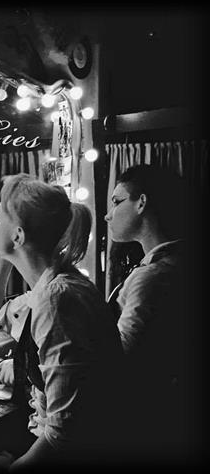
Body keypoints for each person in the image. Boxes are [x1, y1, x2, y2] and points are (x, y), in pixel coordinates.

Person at [0, 174, 124, 470]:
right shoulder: (49, 289)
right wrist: (7, 252)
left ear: (18, 235)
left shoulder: (57, 300)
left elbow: (64, 431)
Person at [105, 164, 196, 460]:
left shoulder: (154, 276)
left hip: (141, 422)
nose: (108, 215)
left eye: (117, 202)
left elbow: (118, 356)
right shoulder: (178, 262)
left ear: (141, 203)